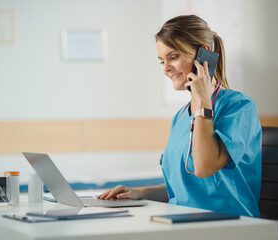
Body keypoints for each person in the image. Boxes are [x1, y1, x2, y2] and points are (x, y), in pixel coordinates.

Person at [98, 15, 261, 217]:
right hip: (185, 221)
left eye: (173, 57)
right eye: (162, 61)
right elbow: (185, 187)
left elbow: (203, 168)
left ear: (204, 54)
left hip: (230, 223)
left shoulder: (239, 106)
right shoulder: (180, 117)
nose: (166, 69)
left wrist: (202, 101)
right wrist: (141, 192)